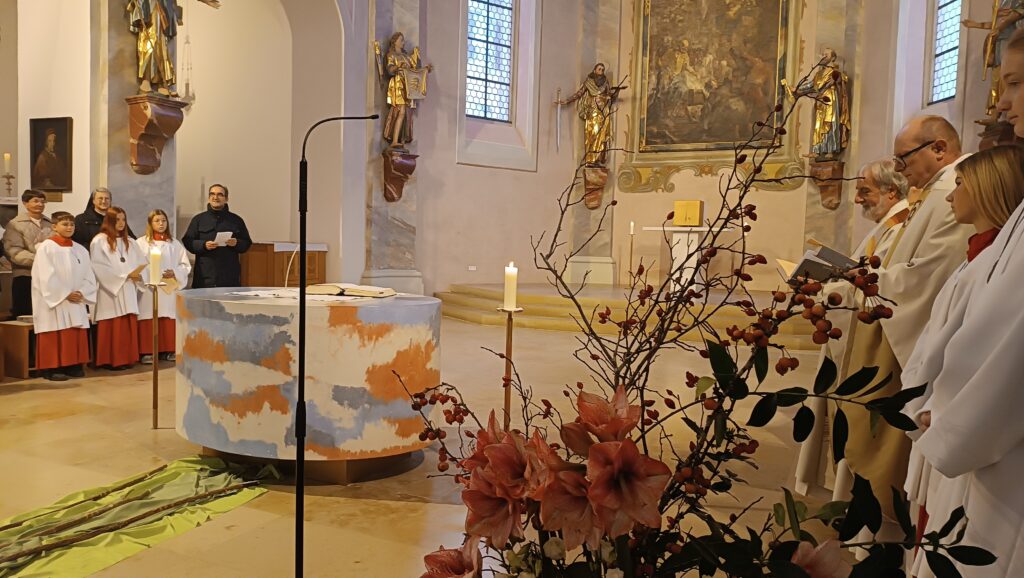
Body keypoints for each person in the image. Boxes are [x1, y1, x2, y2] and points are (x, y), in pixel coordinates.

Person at [904, 30, 1024, 577]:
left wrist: (949, 420)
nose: (1002, 103)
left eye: (1015, 84)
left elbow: (1012, 349)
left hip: (994, 444)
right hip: (971, 427)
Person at [836, 116, 973, 536]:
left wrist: (861, 285)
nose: (900, 167)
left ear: (939, 149)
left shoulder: (951, 191)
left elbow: (928, 276)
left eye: (904, 157)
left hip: (906, 333)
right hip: (890, 318)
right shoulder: (934, 191)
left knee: (885, 439)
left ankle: (883, 533)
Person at [794, 159, 910, 496]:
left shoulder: (899, 228)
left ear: (891, 192)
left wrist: (825, 292)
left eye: (865, 191)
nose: (857, 199)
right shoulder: (886, 226)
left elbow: (876, 289)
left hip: (870, 340)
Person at [31, 211, 96, 381]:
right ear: (54, 226)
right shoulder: (46, 247)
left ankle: (72, 365)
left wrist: (82, 292)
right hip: (56, 300)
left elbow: (89, 275)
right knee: (54, 331)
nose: (69, 227)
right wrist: (65, 294)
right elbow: (44, 275)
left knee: (73, 332)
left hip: (76, 298)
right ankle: (52, 368)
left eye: (72, 224)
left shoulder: (80, 249)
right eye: (65, 224)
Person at [90, 207, 145, 370]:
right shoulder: (99, 241)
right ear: (109, 221)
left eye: (123, 219)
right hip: (110, 290)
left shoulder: (131, 242)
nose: (121, 223)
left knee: (127, 322)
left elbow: (142, 263)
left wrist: (139, 275)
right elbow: (98, 266)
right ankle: (110, 360)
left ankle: (127, 358)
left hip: (128, 288)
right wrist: (123, 276)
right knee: (112, 324)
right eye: (117, 220)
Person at [136, 209, 191, 364]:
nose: (161, 224)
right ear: (150, 223)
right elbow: (138, 264)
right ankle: (147, 351)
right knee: (149, 315)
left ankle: (168, 349)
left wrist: (175, 272)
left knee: (168, 316)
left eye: (164, 220)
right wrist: (154, 273)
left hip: (169, 287)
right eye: (157, 221)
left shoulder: (174, 243)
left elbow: (185, 265)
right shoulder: (141, 243)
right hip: (149, 287)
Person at [182, 184, 252, 288]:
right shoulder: (198, 219)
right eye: (212, 194)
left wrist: (236, 243)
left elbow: (247, 243)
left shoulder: (236, 220)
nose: (215, 197)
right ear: (209, 198)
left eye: (220, 194)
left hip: (229, 277)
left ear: (226, 199)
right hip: (204, 277)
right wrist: (203, 245)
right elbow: (188, 241)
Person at [556, 63, 627, 167]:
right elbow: (579, 93)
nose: (601, 71)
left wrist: (617, 91)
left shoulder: (605, 82)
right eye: (599, 69)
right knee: (593, 134)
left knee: (602, 136)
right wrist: (567, 101)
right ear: (594, 70)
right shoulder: (589, 81)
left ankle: (598, 159)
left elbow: (611, 97)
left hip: (604, 112)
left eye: (602, 69)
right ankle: (591, 159)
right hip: (593, 111)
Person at [2, 190, 52, 316]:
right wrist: (41, 260)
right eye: (35, 201)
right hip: (25, 275)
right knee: (26, 314)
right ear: (25, 203)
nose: (40, 204)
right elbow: (14, 251)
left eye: (42, 202)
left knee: (47, 313)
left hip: (48, 275)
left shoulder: (50, 224)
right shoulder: (15, 224)